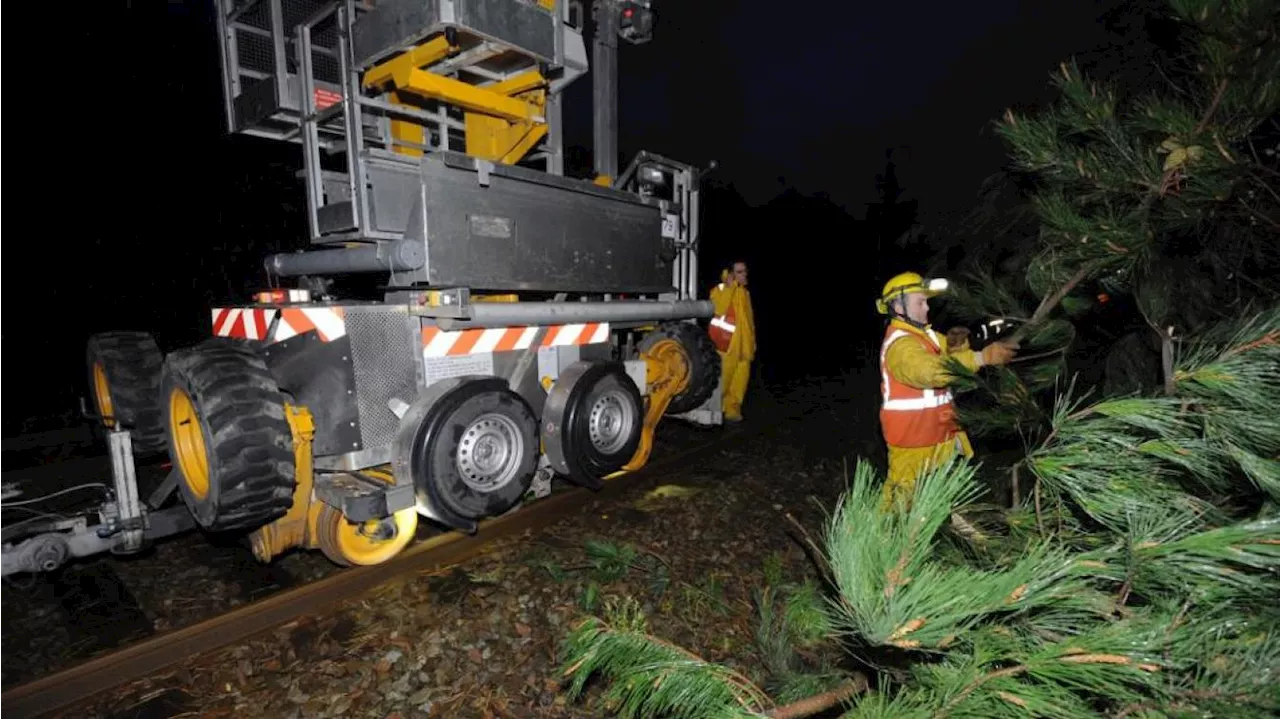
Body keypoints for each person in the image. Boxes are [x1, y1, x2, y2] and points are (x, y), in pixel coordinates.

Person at [876, 271, 1019, 509]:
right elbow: (931, 372)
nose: (926, 309)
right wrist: (982, 357)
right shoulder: (901, 345)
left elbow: (952, 355)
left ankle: (948, 533)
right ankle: (882, 544)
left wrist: (963, 346)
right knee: (900, 506)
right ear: (898, 307)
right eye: (920, 302)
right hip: (913, 443)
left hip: (940, 436)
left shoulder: (926, 335)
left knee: (944, 501)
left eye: (927, 302)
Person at [708, 260, 755, 422]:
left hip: (744, 348)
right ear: (730, 273)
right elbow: (719, 309)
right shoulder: (719, 290)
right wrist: (729, 287)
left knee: (739, 383)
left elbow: (749, 322)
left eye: (745, 271)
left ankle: (732, 411)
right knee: (723, 382)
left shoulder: (745, 293)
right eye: (740, 272)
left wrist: (752, 343)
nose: (744, 275)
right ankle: (714, 411)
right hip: (726, 347)